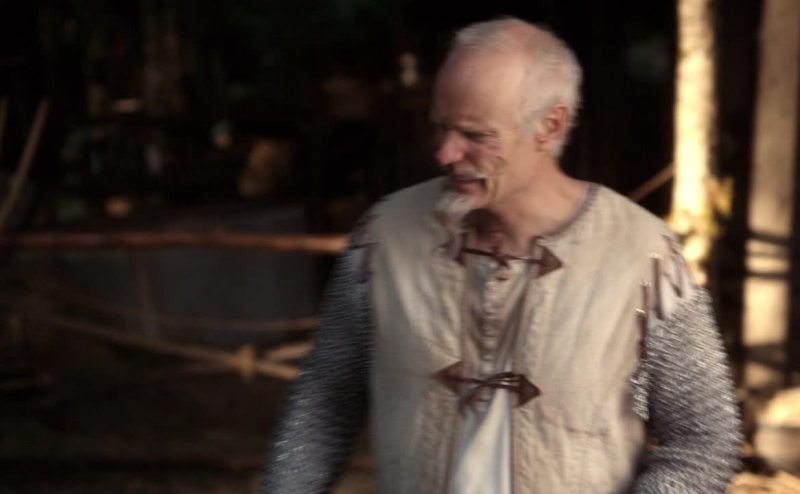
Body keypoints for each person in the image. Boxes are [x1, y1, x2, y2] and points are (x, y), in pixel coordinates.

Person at [262, 17, 741, 494]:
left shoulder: (641, 254)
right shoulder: (385, 237)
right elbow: (323, 405)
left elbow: (703, 441)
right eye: (441, 128)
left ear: (550, 126)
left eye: (475, 135)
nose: (445, 154)